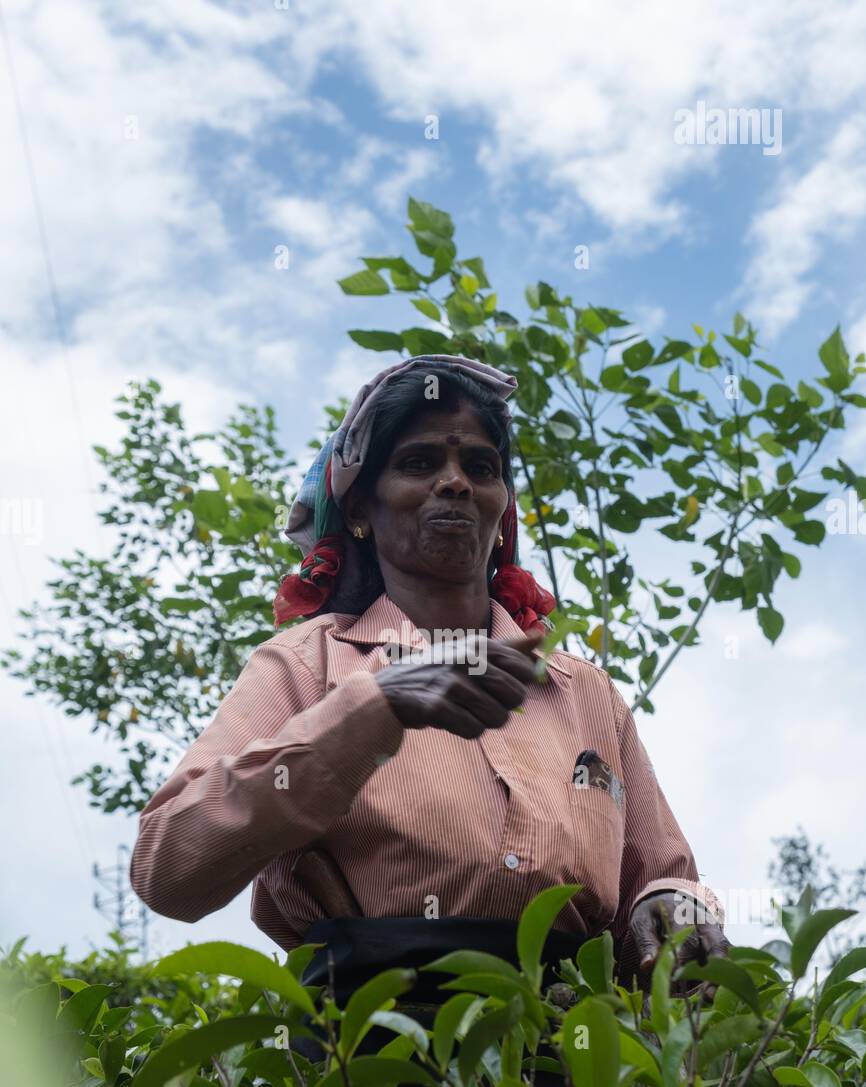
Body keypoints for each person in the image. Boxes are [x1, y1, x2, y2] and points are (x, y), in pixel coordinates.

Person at [130, 354, 728, 992]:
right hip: (376, 1051)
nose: (457, 483)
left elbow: (663, 869)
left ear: (503, 510)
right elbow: (168, 868)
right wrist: (371, 711)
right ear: (360, 507)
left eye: (480, 467)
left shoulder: (584, 693)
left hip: (580, 1055)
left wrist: (676, 908)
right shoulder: (307, 664)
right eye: (418, 463)